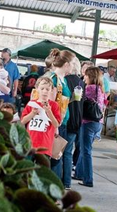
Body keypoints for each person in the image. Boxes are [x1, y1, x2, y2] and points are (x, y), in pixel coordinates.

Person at [74, 66, 105, 187]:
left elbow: (78, 99)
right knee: (85, 148)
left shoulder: (89, 88)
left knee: (86, 151)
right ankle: (79, 173)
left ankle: (88, 179)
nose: (84, 77)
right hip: (98, 122)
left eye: (86, 75)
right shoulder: (100, 89)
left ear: (90, 76)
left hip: (87, 122)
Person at [47, 48, 75, 179]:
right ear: (66, 64)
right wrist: (56, 125)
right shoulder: (54, 79)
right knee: (55, 157)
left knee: (57, 156)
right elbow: (49, 103)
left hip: (61, 121)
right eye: (73, 63)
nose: (74, 66)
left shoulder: (61, 80)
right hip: (56, 123)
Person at [21, 77, 61, 160]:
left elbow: (56, 124)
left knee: (42, 170)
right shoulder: (31, 103)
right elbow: (23, 121)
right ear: (37, 89)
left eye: (47, 89)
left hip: (45, 145)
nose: (45, 91)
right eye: (42, 88)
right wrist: (32, 113)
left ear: (51, 90)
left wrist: (49, 111)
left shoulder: (54, 105)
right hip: (30, 144)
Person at [62, 57, 83, 190]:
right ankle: (67, 182)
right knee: (68, 152)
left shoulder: (64, 81)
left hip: (65, 119)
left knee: (61, 152)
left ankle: (62, 180)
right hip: (77, 120)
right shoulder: (81, 82)